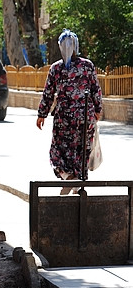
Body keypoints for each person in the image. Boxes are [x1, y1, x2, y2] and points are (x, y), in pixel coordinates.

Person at [36, 29, 102, 194]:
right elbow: (96, 90)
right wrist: (98, 110)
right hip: (85, 118)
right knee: (81, 152)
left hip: (64, 119)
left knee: (59, 151)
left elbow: (48, 94)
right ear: (76, 46)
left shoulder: (56, 69)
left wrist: (41, 114)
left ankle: (68, 177)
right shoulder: (87, 66)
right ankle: (78, 187)